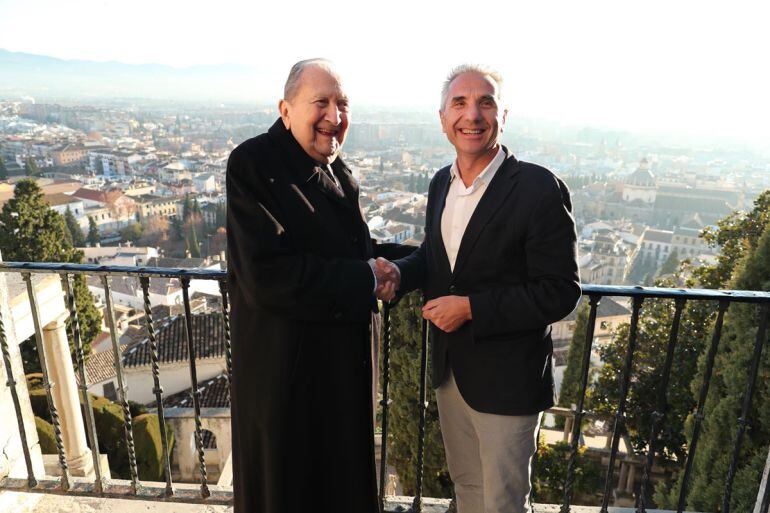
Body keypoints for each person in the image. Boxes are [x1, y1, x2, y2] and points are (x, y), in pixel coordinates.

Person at [376, 64, 581, 513]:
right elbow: (437, 259)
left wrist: (471, 308)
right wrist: (398, 274)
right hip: (452, 375)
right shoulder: (440, 183)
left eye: (486, 102)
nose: (473, 114)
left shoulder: (537, 188)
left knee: (503, 503)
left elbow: (560, 291)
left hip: (508, 381)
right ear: (443, 116)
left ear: (503, 116)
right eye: (460, 103)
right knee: (468, 490)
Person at [226, 58, 413, 513]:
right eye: (321, 103)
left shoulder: (335, 170)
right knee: (291, 493)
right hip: (288, 385)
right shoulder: (254, 164)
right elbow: (269, 275)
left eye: (343, 103)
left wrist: (424, 261)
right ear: (286, 110)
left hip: (338, 379)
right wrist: (370, 277)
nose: (335, 116)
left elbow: (357, 254)